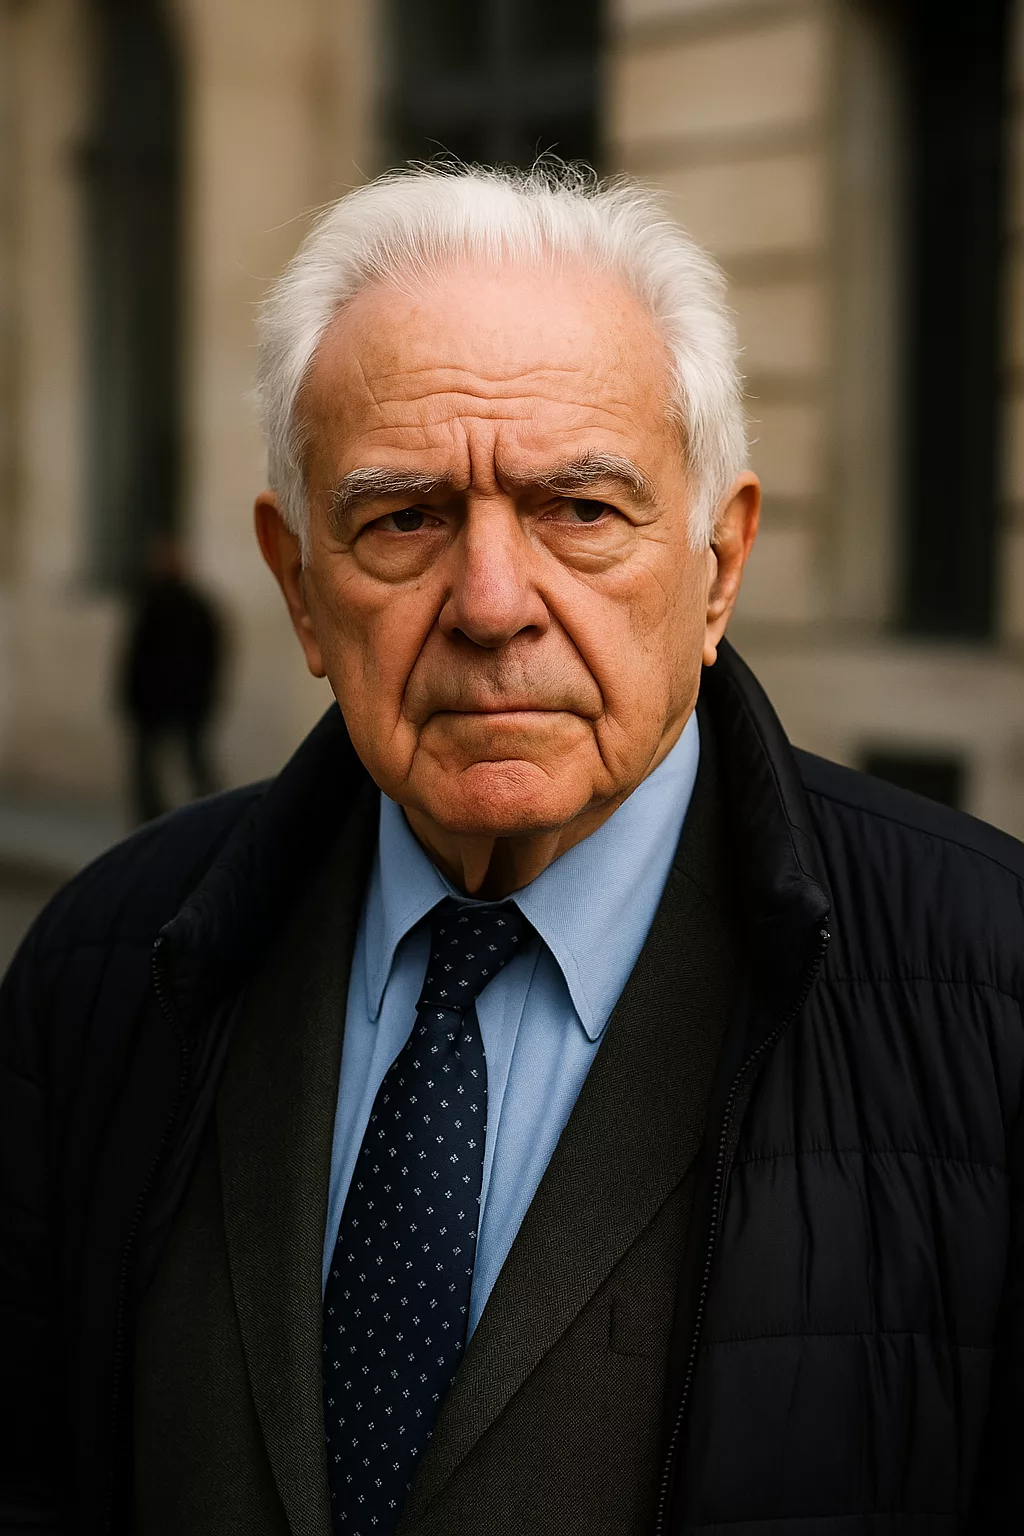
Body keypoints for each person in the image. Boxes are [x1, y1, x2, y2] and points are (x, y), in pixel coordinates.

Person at [1, 164, 1022, 1536]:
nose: (491, 604)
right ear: (301, 589)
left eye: (581, 512)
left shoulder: (992, 998)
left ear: (719, 569)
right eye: (404, 519)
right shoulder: (100, 974)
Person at [117, 537, 224, 822]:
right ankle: (153, 819)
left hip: (184, 699)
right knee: (150, 767)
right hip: (156, 700)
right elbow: (136, 655)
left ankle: (210, 815)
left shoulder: (192, 606)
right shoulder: (152, 602)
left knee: (192, 762)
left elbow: (211, 653)